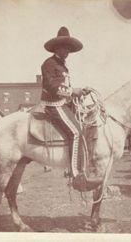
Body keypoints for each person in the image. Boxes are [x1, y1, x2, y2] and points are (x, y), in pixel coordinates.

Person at [41, 26, 90, 189]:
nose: (67, 51)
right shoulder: (48, 64)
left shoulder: (63, 65)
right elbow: (52, 86)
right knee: (76, 132)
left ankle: (83, 168)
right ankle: (76, 175)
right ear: (57, 48)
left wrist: (78, 93)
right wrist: (72, 91)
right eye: (65, 47)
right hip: (53, 104)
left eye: (69, 48)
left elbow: (65, 87)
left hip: (63, 103)